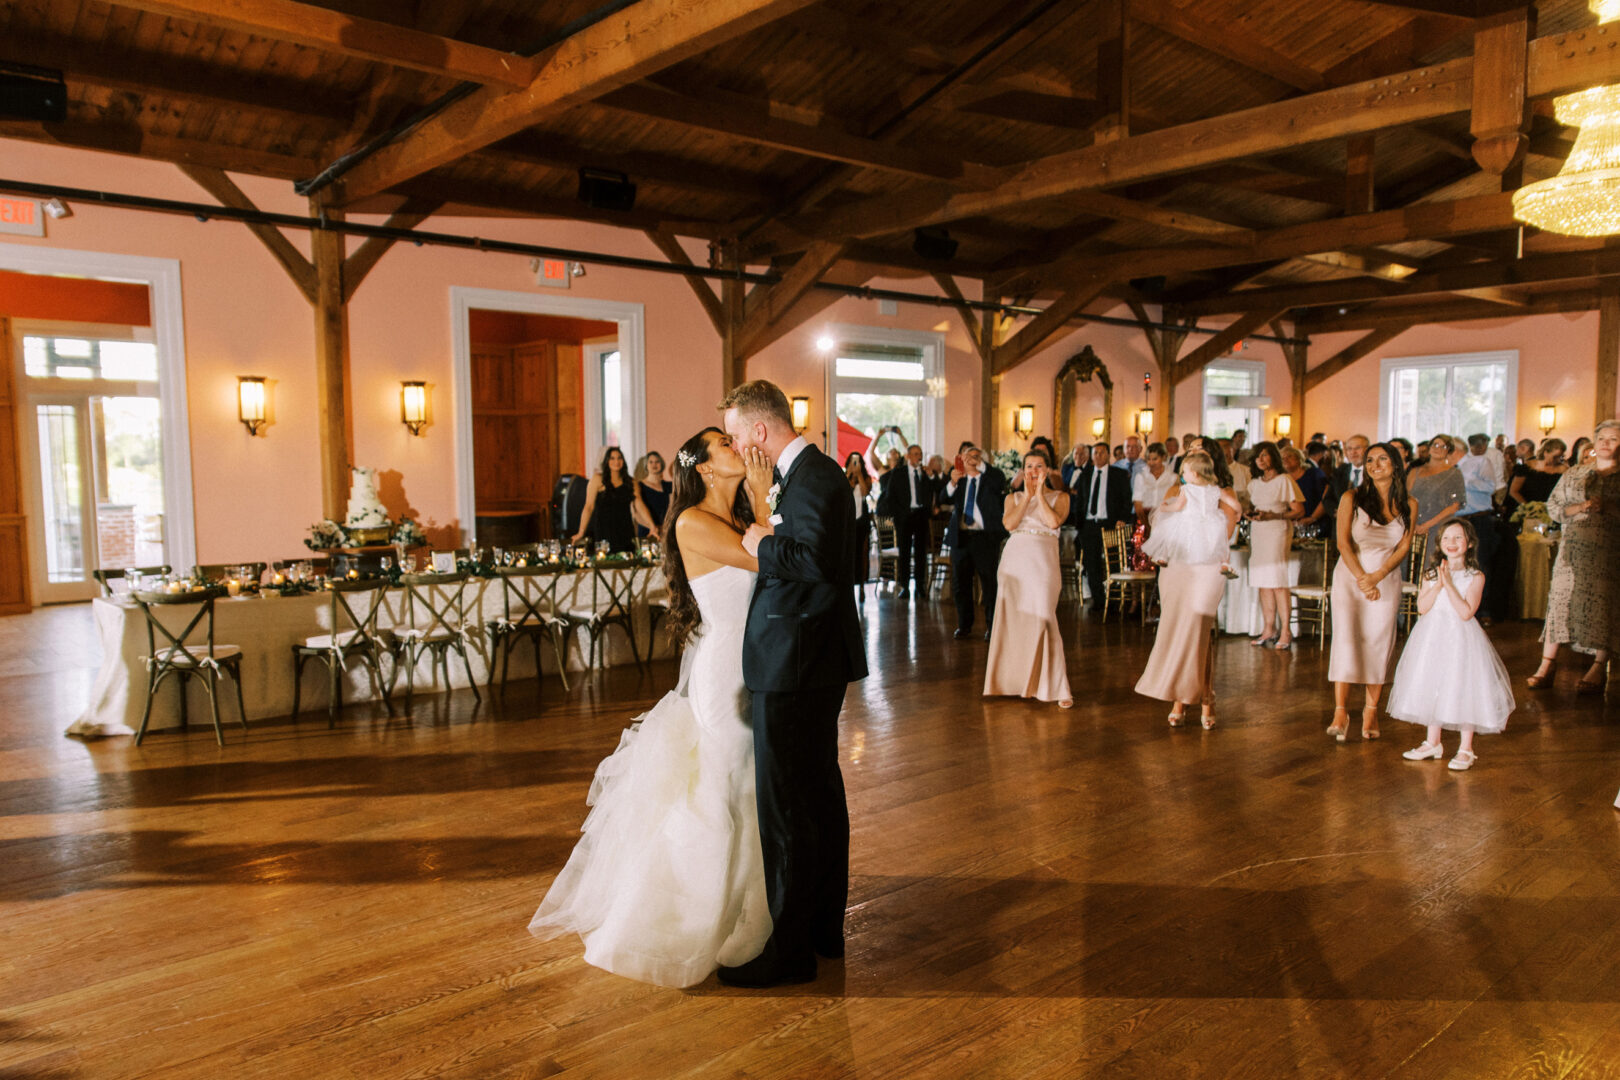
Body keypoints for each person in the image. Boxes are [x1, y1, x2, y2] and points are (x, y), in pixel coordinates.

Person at [530, 427, 771, 986]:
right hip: (724, 674)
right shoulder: (692, 522)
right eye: (726, 446)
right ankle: (686, 919)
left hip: (751, 664)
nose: (740, 449)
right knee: (724, 789)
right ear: (707, 469)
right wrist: (762, 493)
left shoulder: (733, 518)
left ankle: (748, 915)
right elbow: (770, 561)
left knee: (749, 789)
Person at [725, 380, 867, 988]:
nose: (734, 446)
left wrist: (764, 543)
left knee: (786, 806)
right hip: (805, 656)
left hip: (796, 659)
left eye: (735, 435)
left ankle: (790, 951)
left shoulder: (815, 477)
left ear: (760, 430)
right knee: (816, 795)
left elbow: (818, 563)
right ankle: (820, 929)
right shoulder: (804, 475)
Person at [1390, 517, 1515, 771]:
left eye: (1458, 537)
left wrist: (1449, 584)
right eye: (1447, 538)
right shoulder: (1431, 572)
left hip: (1461, 638)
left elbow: (1466, 612)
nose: (1452, 543)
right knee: (1433, 683)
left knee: (1463, 686)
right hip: (1432, 636)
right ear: (1440, 543)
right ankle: (1432, 741)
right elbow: (1423, 608)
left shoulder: (1475, 576)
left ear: (1469, 543)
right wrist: (1438, 584)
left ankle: (1466, 748)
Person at [1134, 451, 1240, 730]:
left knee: (1198, 630)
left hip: (1206, 563)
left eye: (1194, 452)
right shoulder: (1181, 488)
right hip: (1179, 565)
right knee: (1177, 628)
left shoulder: (1218, 490)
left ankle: (1205, 697)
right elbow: (1170, 513)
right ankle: (1179, 697)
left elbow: (1232, 518)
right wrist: (1164, 509)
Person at [1326, 443, 1416, 741]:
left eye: (1382, 459)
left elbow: (1404, 546)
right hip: (1351, 575)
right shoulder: (1352, 497)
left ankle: (1371, 710)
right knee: (1347, 638)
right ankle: (1340, 710)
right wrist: (1363, 577)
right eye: (1370, 460)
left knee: (1379, 641)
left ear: (1396, 464)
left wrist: (1378, 575)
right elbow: (1342, 543)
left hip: (1386, 577)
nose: (1375, 464)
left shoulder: (1409, 504)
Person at [1527, 420, 1620, 694]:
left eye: (1613, 439)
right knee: (1560, 601)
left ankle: (1598, 666)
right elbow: (1553, 507)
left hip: (1609, 554)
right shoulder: (1576, 473)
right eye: (1601, 438)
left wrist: (1610, 507)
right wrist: (1579, 506)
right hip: (1572, 551)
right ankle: (1547, 664)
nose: (1605, 443)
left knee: (1604, 605)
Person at [984, 450, 1073, 708]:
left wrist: (1040, 495)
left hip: (1043, 560)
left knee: (1045, 617)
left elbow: (1053, 522)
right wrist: (1026, 497)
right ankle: (1015, 682)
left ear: (1048, 470)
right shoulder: (1012, 498)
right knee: (1015, 621)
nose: (1034, 471)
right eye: (1029, 466)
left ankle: (1056, 686)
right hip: (1015, 560)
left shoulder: (1061, 497)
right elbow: (1009, 525)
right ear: (1023, 471)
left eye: (1039, 466)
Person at [1245, 441, 1304, 649]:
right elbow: (1252, 504)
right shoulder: (1254, 483)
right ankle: (1269, 627)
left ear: (1273, 457)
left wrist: (1273, 515)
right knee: (1262, 580)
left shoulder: (1284, 480)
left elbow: (1298, 510)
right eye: (1257, 457)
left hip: (1277, 529)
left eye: (1264, 455)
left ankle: (1285, 629)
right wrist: (1250, 513)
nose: (1260, 460)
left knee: (1277, 580)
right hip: (1259, 531)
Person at [945, 443, 1007, 639]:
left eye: (975, 455)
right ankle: (964, 625)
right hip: (962, 537)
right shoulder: (959, 479)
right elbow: (942, 498)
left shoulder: (991, 478)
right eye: (967, 455)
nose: (970, 458)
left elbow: (1000, 483)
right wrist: (952, 483)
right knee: (960, 584)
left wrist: (981, 466)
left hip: (985, 538)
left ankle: (992, 627)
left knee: (989, 584)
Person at [1074, 441, 1134, 612]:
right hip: (1089, 524)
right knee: (1091, 564)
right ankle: (1098, 600)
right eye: (1095, 453)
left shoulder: (1118, 474)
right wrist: (1079, 524)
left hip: (1110, 523)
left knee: (1113, 562)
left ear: (1108, 455)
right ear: (1091, 456)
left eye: (1101, 452)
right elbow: (1080, 501)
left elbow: (1126, 498)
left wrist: (1122, 518)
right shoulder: (1085, 475)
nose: (1098, 455)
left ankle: (1114, 600)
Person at [1456, 434, 1503, 620]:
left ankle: (1483, 609)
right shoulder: (1456, 465)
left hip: (1479, 517)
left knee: (1481, 562)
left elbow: (1491, 487)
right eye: (1475, 444)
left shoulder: (1483, 463)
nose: (1478, 447)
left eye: (1482, 444)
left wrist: (1466, 481)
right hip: (1459, 518)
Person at [877, 444, 933, 598]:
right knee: (905, 552)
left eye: (920, 454)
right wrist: (898, 515)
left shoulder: (925, 473)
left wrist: (931, 476)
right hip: (905, 516)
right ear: (908, 456)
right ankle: (905, 586)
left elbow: (932, 491)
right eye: (915, 454)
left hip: (920, 515)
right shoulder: (898, 473)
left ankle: (920, 586)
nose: (919, 457)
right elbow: (890, 497)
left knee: (921, 551)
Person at [574, 446, 655, 552]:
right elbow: (588, 507)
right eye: (612, 458)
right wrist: (581, 532)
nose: (616, 461)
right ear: (607, 461)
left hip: (625, 530)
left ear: (623, 461)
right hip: (603, 531)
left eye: (619, 458)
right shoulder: (597, 479)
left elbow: (639, 504)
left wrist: (652, 526)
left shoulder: (632, 482)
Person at [1407, 434, 1466, 539]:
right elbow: (1405, 498)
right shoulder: (1414, 471)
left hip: (1438, 527)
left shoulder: (1454, 473)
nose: (1438, 449)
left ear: (1449, 451)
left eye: (1443, 446)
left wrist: (1426, 525)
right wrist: (1413, 523)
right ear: (1429, 448)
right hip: (1413, 525)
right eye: (1435, 445)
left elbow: (1454, 506)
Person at [1282, 445, 1330, 539]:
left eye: (1289, 456)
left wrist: (1312, 518)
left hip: (1317, 524)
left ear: (1299, 458)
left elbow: (1326, 498)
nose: (1285, 460)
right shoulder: (1282, 479)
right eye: (1282, 458)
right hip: (1292, 527)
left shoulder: (1314, 474)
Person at [844, 451, 874, 601]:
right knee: (848, 554)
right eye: (852, 461)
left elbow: (865, 492)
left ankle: (861, 584)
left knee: (861, 554)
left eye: (857, 461)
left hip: (861, 522)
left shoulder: (866, 478)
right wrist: (850, 474)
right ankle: (848, 585)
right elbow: (841, 493)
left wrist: (859, 474)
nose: (855, 464)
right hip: (848, 522)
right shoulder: (844, 477)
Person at [1511, 438, 1568, 509]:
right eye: (1555, 457)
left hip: (1552, 509)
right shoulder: (1528, 467)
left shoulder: (1564, 469)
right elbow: (1514, 491)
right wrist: (1529, 508)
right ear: (1545, 453)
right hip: (1528, 508)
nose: (1558, 460)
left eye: (1561, 456)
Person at [1133, 442, 1175, 524]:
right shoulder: (1141, 477)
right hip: (1144, 518)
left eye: (1155, 459)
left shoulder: (1172, 478)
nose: (1151, 463)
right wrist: (1146, 524)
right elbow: (1137, 504)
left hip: (1166, 519)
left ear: (1163, 457)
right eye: (1148, 459)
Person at [633, 451, 673, 538]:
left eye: (657, 461)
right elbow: (636, 513)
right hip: (647, 531)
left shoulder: (669, 486)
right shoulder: (639, 485)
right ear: (646, 465)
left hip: (665, 531)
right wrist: (653, 527)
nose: (654, 464)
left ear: (661, 464)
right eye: (651, 462)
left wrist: (665, 528)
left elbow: (672, 508)